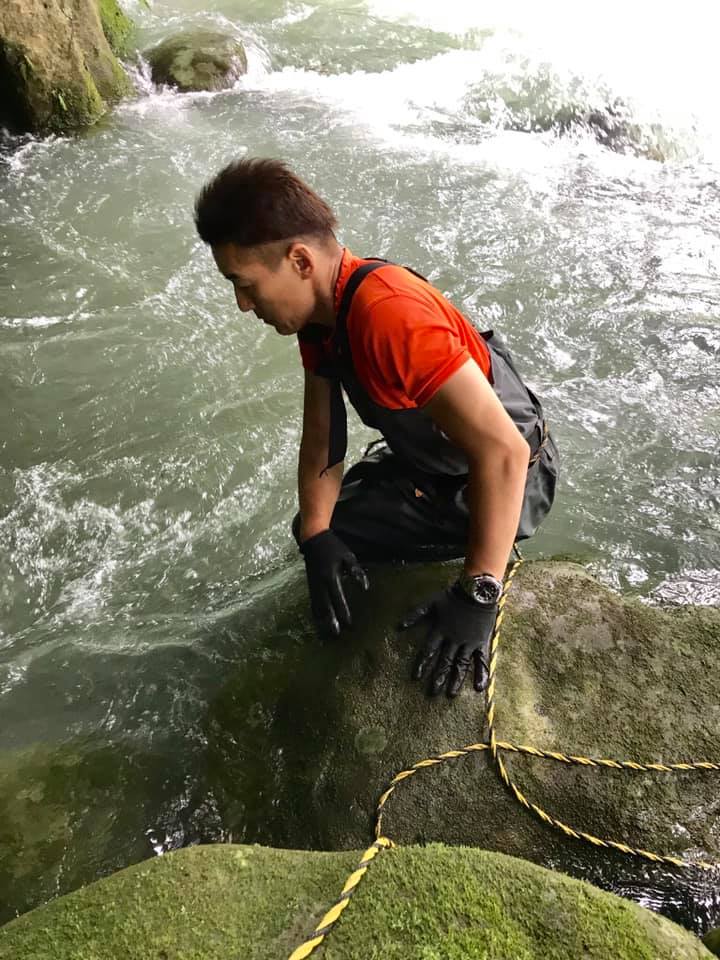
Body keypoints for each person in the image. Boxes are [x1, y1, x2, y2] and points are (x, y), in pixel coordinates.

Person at [194, 157, 558, 699]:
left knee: (359, 542)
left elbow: (503, 450)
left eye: (244, 285)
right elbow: (322, 434)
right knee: (325, 531)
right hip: (436, 465)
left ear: (299, 260)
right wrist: (316, 534)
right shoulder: (323, 312)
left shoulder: (388, 316)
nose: (243, 305)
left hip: (510, 474)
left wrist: (478, 595)